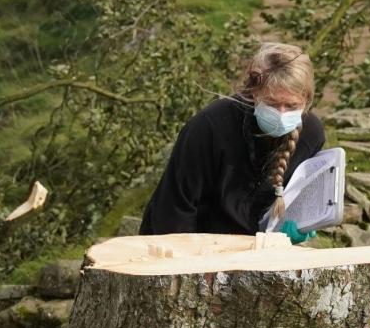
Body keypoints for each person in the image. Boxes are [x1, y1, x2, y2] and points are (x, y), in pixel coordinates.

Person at [139, 42, 325, 243]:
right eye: (272, 103)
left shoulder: (311, 135)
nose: (281, 113)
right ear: (254, 93)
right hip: (192, 240)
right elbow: (174, 208)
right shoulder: (209, 127)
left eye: (291, 105)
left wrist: (297, 224)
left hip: (255, 250)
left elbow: (298, 196)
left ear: (305, 100)